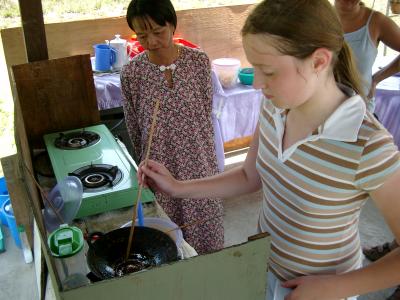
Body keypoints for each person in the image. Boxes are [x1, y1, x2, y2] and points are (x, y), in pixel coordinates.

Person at [137, 0, 400, 299]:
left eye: (269, 71)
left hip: (323, 290)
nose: (258, 84)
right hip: (266, 266)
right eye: (255, 68)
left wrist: (335, 286)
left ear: (318, 62)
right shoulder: (276, 107)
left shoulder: (367, 144)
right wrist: (177, 187)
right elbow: (251, 175)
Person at [120, 0, 223, 254]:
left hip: (199, 162)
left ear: (172, 25)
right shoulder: (132, 73)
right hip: (160, 164)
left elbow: (205, 113)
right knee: (168, 240)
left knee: (205, 230)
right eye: (142, 35)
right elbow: (133, 126)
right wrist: (144, 163)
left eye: (158, 31)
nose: (151, 41)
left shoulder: (198, 61)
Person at [334, 0, 400, 112]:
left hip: (359, 112)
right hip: (319, 110)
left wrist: (376, 79)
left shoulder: (376, 21)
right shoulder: (318, 17)